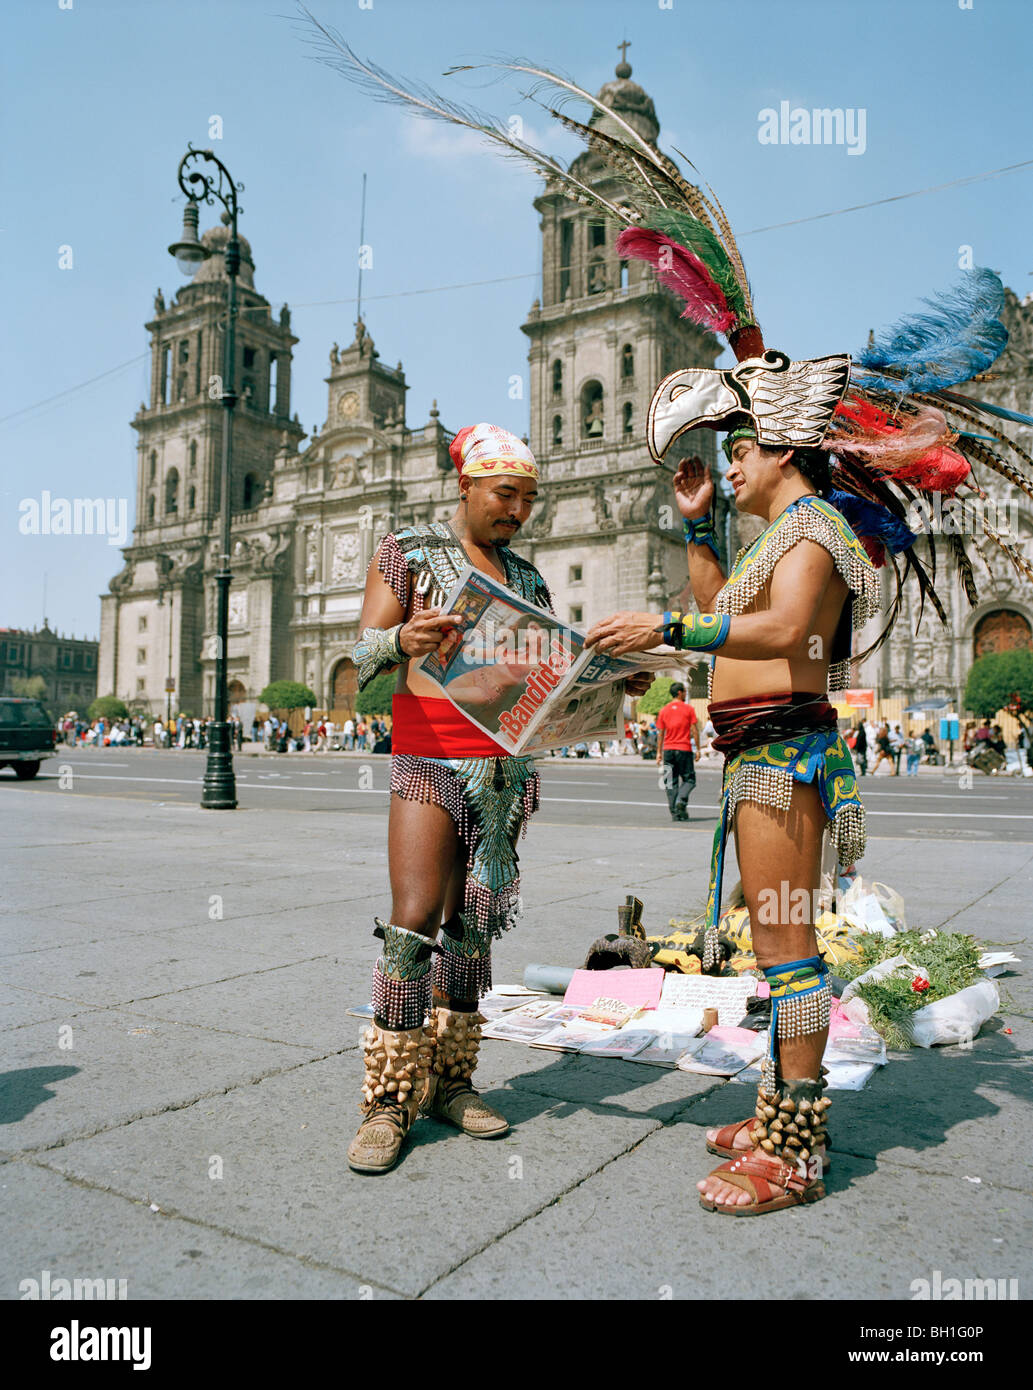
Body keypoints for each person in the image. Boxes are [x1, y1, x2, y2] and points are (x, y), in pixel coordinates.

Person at [346, 419, 647, 1174]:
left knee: (470, 927)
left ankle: (452, 1079)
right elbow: (360, 659)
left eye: (526, 500)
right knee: (412, 923)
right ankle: (388, 1096)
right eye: (504, 495)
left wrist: (608, 682)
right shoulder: (407, 552)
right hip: (427, 751)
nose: (514, 511)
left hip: (502, 770)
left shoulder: (527, 579)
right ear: (466, 486)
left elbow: (541, 681)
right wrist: (402, 642)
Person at [655, 682, 698, 821]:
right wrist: (698, 749)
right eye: (685, 691)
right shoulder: (688, 709)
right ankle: (681, 800)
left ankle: (676, 813)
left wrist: (659, 753)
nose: (686, 694)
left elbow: (660, 733)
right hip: (684, 749)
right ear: (680, 692)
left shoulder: (663, 710)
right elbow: (694, 730)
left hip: (668, 750)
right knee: (690, 780)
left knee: (669, 782)